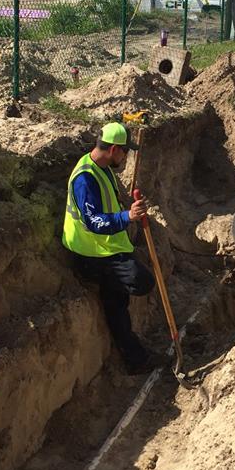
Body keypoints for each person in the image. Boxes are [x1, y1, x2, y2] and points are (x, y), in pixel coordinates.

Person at [63, 122, 156, 374]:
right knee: (142, 281)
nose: (126, 156)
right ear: (114, 149)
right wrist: (128, 217)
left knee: (117, 306)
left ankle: (136, 359)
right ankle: (109, 288)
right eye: (125, 151)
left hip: (106, 248)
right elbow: (93, 222)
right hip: (92, 255)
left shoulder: (101, 168)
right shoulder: (85, 178)